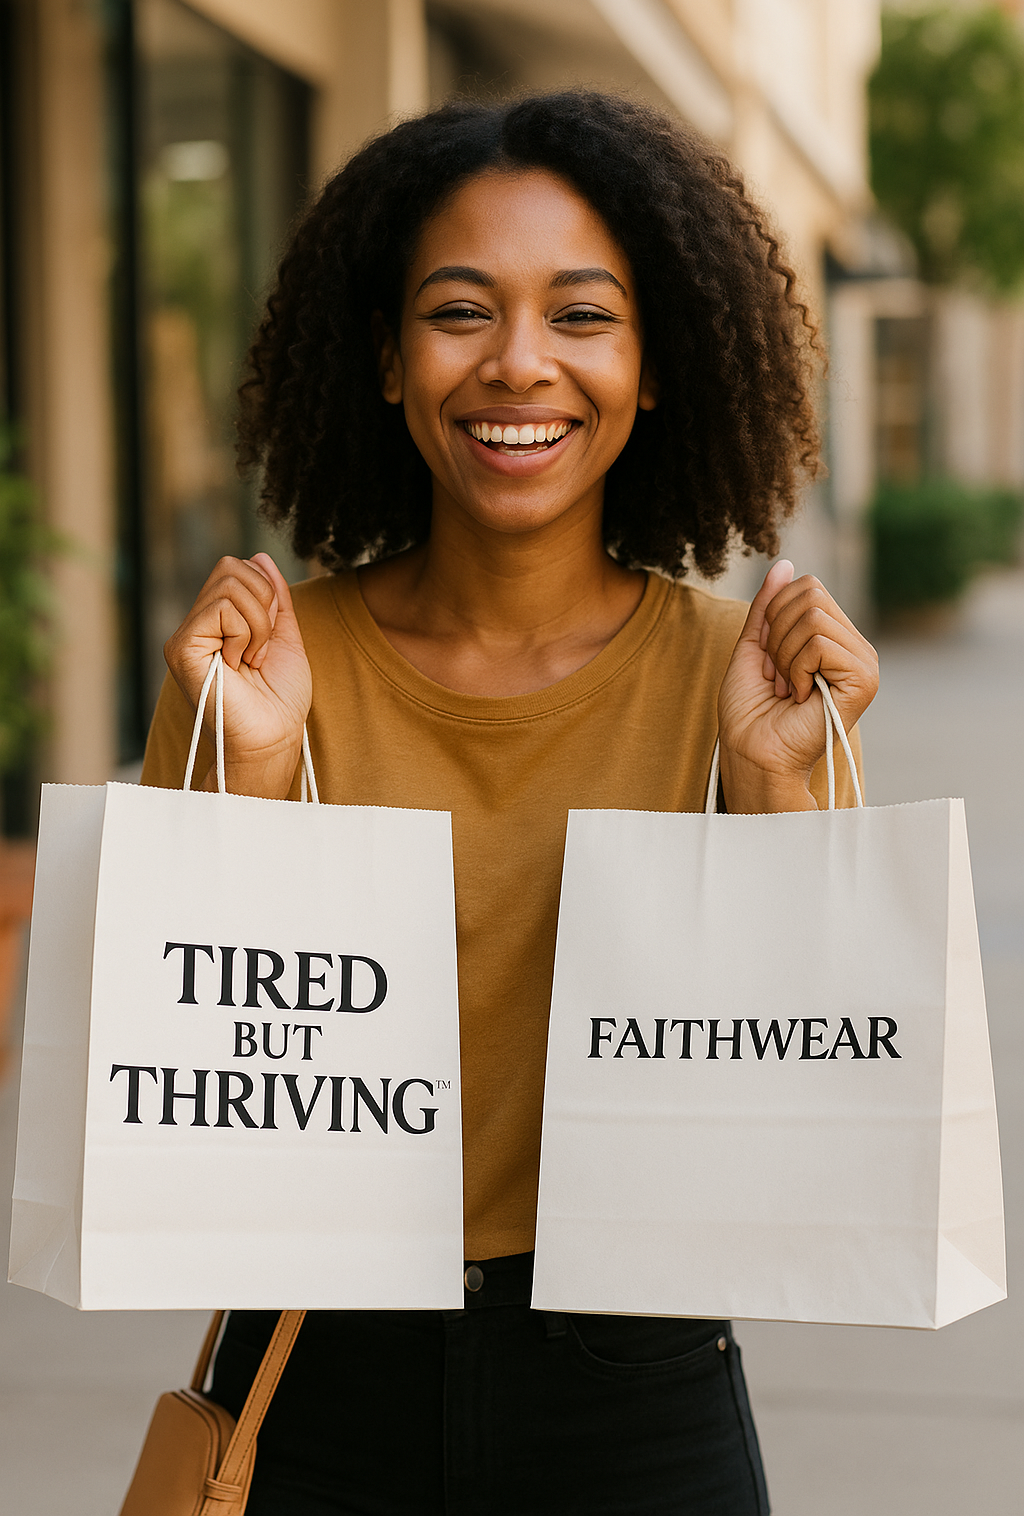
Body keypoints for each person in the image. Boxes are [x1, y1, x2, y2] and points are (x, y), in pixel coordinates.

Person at [142, 90, 878, 1516]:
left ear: (658, 366)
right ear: (384, 358)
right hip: (315, 1363)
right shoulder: (259, 666)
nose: (520, 365)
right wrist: (252, 768)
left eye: (583, 316)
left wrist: (774, 784)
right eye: (462, 310)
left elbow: (809, 1100)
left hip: (636, 1374)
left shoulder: (746, 677)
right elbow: (191, 1087)